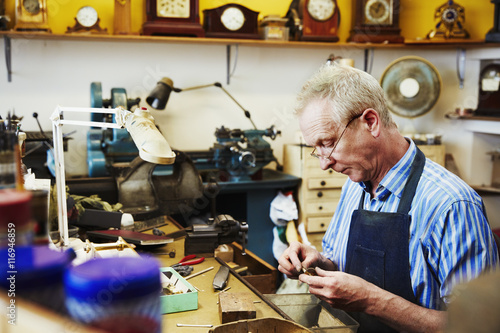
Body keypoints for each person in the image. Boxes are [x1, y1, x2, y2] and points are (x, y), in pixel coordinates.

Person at [278, 64, 499, 333]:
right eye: (317, 149)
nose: (324, 164)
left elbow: (478, 326)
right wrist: (318, 263)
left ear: (370, 122)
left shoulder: (452, 205)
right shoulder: (355, 183)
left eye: (328, 143)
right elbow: (343, 264)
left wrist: (372, 301)